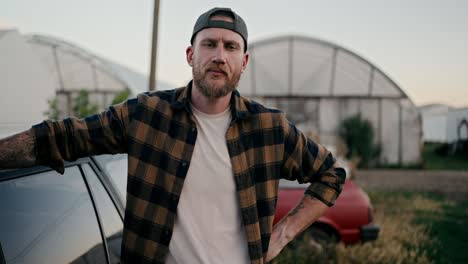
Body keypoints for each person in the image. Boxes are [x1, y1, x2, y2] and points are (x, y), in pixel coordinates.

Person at [0, 7, 346, 264]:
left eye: (230, 47)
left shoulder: (269, 129)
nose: (219, 56)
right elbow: (63, 137)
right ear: (191, 54)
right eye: (209, 44)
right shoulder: (147, 115)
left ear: (244, 61)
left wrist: (282, 235)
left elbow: (330, 174)